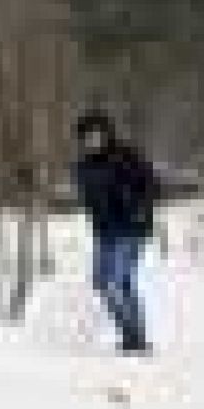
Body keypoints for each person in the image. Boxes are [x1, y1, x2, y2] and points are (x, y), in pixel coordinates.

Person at [72, 111, 159, 355]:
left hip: (131, 229)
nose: (91, 141)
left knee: (116, 281)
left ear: (106, 134)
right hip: (104, 231)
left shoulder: (126, 157)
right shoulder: (84, 167)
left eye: (95, 135)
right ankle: (132, 335)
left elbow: (152, 185)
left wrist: (138, 205)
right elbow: (89, 199)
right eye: (86, 137)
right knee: (104, 282)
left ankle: (136, 339)